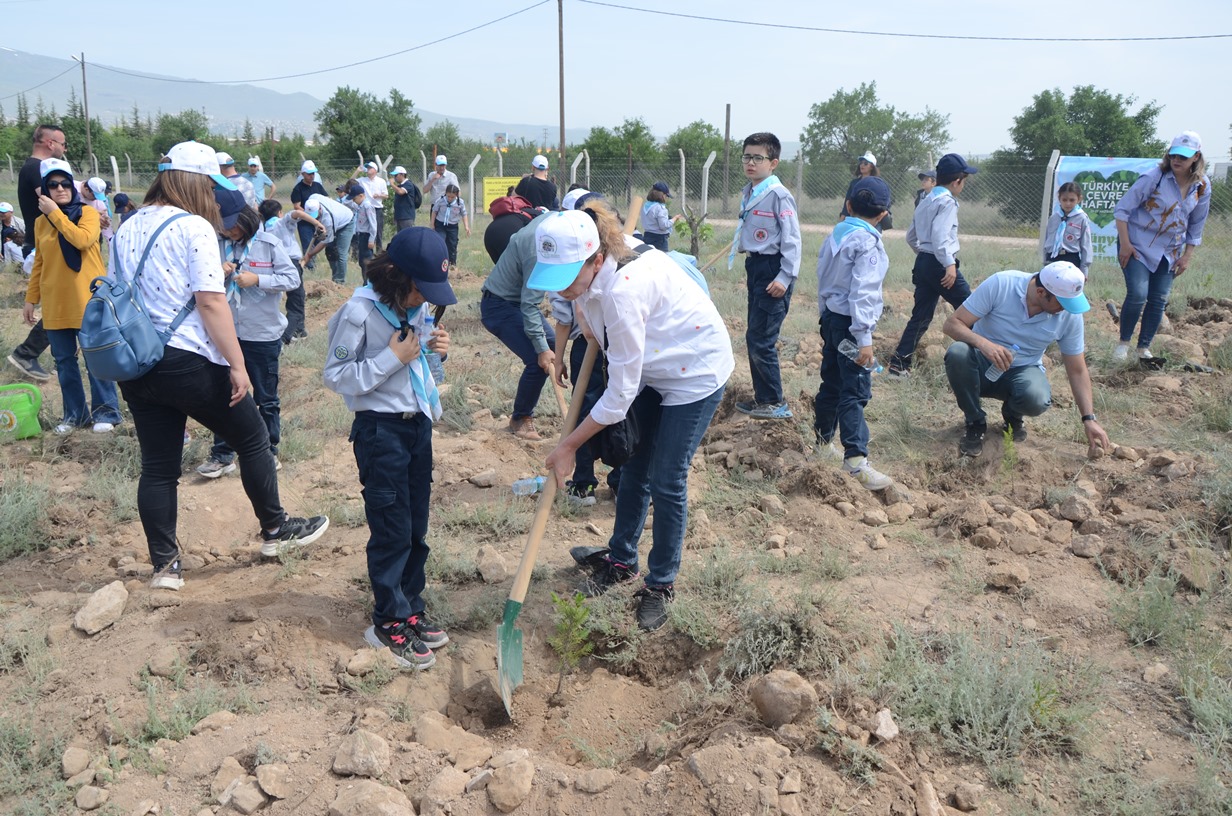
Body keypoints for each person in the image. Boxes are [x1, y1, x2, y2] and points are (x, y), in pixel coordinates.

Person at [111, 141, 329, 589]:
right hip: (187, 358)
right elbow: (211, 302)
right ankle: (275, 530)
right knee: (252, 437)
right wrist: (237, 364)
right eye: (212, 188)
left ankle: (165, 567)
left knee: (158, 466)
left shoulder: (128, 224)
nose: (214, 198)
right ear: (196, 182)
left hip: (136, 359)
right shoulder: (193, 228)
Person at [535, 204, 734, 632]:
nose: (561, 290)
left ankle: (661, 582)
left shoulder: (624, 290)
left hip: (693, 372)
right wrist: (587, 317)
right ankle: (622, 560)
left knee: (666, 478)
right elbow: (592, 312)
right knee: (633, 469)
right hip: (650, 365)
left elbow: (618, 397)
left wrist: (568, 445)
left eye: (567, 279)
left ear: (593, 258)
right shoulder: (605, 257)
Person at [324, 227, 455, 670]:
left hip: (417, 425)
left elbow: (418, 364)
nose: (424, 299)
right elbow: (337, 376)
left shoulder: (411, 307)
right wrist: (390, 360)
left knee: (417, 525)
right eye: (421, 289)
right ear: (397, 278)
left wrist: (435, 351)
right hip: (381, 433)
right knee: (391, 527)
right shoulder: (359, 312)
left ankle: (410, 605)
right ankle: (387, 620)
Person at [942, 261, 1111, 457]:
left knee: (1037, 399)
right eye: (1061, 303)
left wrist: (1089, 419)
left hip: (1023, 369)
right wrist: (984, 344)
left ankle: (1012, 415)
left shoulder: (1070, 316)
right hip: (980, 363)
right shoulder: (1002, 285)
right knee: (958, 353)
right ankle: (975, 421)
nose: (1065, 310)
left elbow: (1077, 369)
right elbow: (952, 324)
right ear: (1041, 292)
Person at [197, 199, 299, 478]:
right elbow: (199, 283)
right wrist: (220, 273)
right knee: (225, 395)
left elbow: (292, 279)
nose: (229, 232)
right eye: (225, 228)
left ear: (246, 222)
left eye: (233, 227)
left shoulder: (269, 243)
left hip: (261, 333)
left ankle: (268, 450)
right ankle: (223, 454)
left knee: (266, 396)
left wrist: (259, 280)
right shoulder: (214, 246)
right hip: (226, 333)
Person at [23, 158, 122, 435]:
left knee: (96, 359)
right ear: (45, 189)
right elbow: (40, 262)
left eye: (65, 183)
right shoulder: (41, 224)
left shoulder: (88, 214)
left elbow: (81, 240)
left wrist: (55, 213)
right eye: (53, 185)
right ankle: (75, 415)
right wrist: (31, 298)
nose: (60, 189)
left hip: (87, 301)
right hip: (56, 303)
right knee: (64, 362)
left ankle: (107, 412)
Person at [813, 176, 894, 490]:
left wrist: (825, 318)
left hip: (833, 320)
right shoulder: (868, 243)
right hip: (851, 325)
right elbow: (863, 292)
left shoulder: (836, 234)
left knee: (831, 383)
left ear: (848, 205)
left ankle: (822, 445)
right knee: (855, 390)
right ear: (883, 214)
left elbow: (822, 277)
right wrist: (864, 340)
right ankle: (856, 460)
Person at [1112, 131, 1211, 362]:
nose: (1177, 160)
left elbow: (1197, 223)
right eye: (1173, 154)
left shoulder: (1202, 186)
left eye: (1183, 157)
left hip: (1171, 251)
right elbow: (1122, 211)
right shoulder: (1154, 178)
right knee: (1138, 294)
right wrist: (1125, 245)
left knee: (1158, 298)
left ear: (1196, 157)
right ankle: (1123, 345)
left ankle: (1143, 349)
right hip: (1137, 244)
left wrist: (1187, 256)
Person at [887, 153, 978, 377]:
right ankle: (983, 359)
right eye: (964, 181)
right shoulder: (947, 203)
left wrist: (926, 255)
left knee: (921, 316)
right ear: (958, 181)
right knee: (973, 310)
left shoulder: (925, 200)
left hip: (924, 262)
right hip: (940, 264)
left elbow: (911, 237)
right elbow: (939, 236)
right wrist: (948, 264)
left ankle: (899, 365)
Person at [731, 132, 801, 420]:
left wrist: (785, 277)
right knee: (753, 335)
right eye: (747, 156)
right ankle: (763, 399)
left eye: (758, 158)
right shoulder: (750, 191)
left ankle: (774, 401)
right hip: (756, 267)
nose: (750, 163)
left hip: (774, 268)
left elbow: (793, 240)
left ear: (773, 163)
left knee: (762, 338)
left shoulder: (779, 195)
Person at [480, 208, 555, 440]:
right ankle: (520, 418)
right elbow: (530, 306)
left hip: (514, 301)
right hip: (499, 306)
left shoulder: (554, 222)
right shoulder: (540, 251)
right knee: (537, 357)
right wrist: (542, 350)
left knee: (551, 341)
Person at [8, 123, 65, 382]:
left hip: (44, 242)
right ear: (50, 143)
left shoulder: (33, 168)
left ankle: (58, 357)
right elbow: (55, 204)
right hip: (45, 243)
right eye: (63, 144)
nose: (64, 149)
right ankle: (26, 353)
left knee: (65, 303)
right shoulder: (37, 169)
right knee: (62, 303)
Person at [259, 198, 322, 345]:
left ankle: (299, 330)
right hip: (290, 264)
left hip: (272, 265)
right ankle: (285, 337)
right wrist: (317, 223)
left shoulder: (263, 229)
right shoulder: (281, 223)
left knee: (279, 299)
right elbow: (297, 213)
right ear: (280, 213)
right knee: (296, 300)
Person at [303, 192, 356, 284]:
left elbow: (325, 241)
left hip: (346, 222)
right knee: (330, 251)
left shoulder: (328, 219)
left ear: (320, 208)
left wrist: (309, 255)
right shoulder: (312, 198)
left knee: (341, 252)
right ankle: (334, 278)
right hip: (336, 218)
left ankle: (339, 282)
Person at [1042, 181, 1093, 277]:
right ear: (1059, 199)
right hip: (1052, 257)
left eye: (1072, 200)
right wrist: (1045, 262)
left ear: (1079, 199)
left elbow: (1086, 245)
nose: (1068, 203)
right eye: (1064, 200)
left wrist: (1084, 270)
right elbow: (1047, 241)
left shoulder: (1082, 218)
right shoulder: (1054, 218)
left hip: (1070, 258)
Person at [290, 160, 328, 264]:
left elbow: (326, 199)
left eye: (313, 173)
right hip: (305, 222)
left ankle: (313, 261)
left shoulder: (317, 186)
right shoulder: (298, 189)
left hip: (319, 220)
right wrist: (309, 215)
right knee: (307, 245)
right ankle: (310, 266)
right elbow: (297, 206)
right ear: (303, 174)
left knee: (319, 241)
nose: (312, 176)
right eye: (309, 174)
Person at [431, 184, 469, 270]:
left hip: (453, 226)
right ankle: (439, 262)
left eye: (452, 197)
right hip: (440, 224)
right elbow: (434, 211)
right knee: (440, 241)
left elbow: (464, 214)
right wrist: (432, 224)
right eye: (448, 196)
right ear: (445, 193)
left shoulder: (460, 203)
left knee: (452, 244)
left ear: (456, 195)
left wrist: (466, 226)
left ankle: (452, 264)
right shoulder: (440, 200)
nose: (450, 199)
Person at [346, 182, 379, 282]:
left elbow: (373, 224)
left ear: (361, 196)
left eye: (355, 198)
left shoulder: (367, 206)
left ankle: (368, 282)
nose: (353, 201)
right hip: (360, 235)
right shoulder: (359, 205)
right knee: (361, 261)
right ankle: (366, 281)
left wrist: (372, 239)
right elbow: (346, 202)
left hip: (366, 236)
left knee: (367, 261)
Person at [639, 181, 681, 251]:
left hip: (647, 236)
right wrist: (674, 218)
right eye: (667, 196)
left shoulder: (645, 206)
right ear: (662, 195)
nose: (667, 198)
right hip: (659, 240)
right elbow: (664, 226)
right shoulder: (660, 208)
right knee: (662, 260)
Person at [390, 165, 422, 231]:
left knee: (407, 236)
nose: (394, 177)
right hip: (400, 216)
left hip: (406, 216)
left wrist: (392, 184)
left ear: (402, 175)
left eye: (396, 175)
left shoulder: (408, 184)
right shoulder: (400, 185)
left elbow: (401, 192)